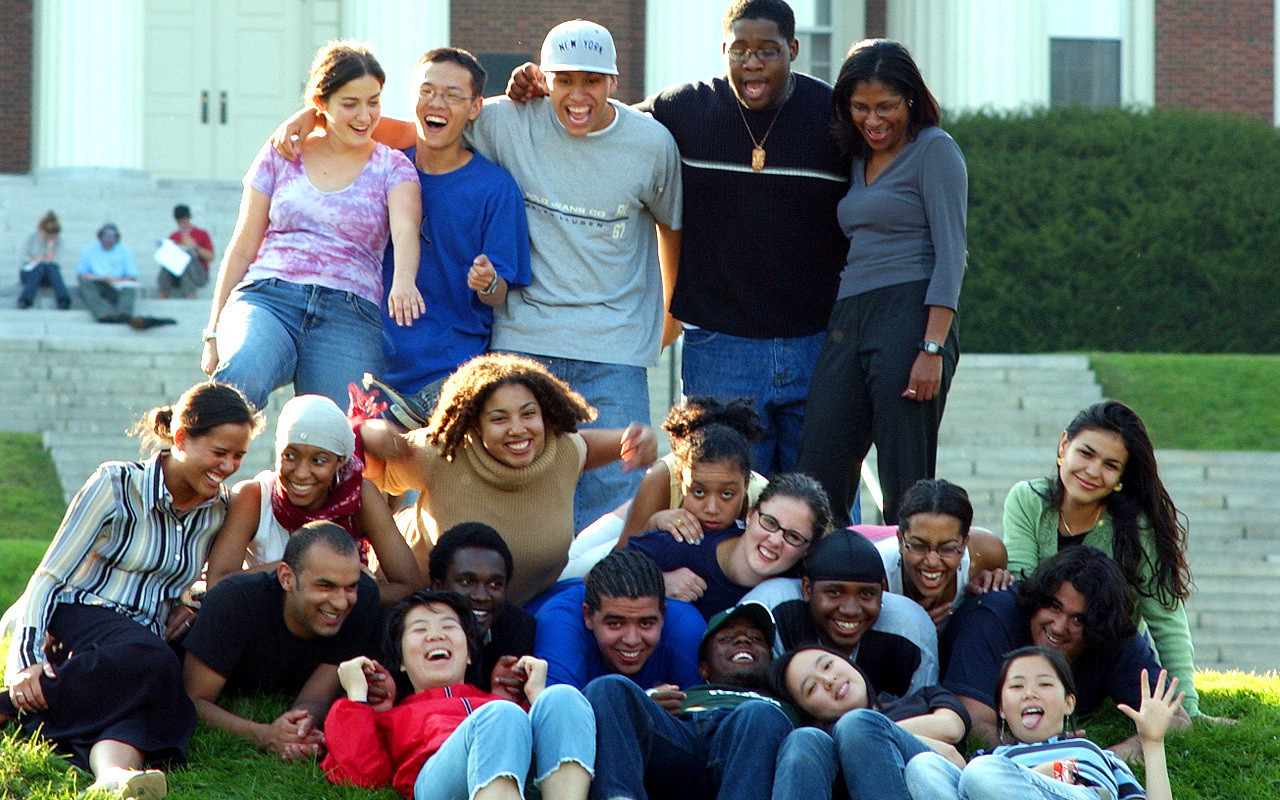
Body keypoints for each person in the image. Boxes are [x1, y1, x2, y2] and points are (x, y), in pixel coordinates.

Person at [275, 21, 682, 533]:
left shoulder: (648, 144)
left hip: (607, 349)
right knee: (506, 501)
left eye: (592, 81)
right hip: (516, 344)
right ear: (545, 79)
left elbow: (672, 225)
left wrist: (671, 314)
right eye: (564, 80)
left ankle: (598, 604)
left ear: (613, 83)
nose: (577, 95)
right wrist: (310, 116)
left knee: (614, 498)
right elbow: (407, 125)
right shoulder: (503, 121)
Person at [509, 0, 851, 477]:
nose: (752, 62)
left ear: (793, 49)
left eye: (768, 51)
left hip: (818, 346)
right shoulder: (685, 108)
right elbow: (599, 123)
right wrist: (544, 89)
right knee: (719, 503)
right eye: (740, 50)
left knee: (824, 500)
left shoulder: (836, 119)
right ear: (723, 50)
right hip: (720, 348)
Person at [1, 382, 260, 799]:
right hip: (82, 614)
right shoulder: (116, 484)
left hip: (142, 638)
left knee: (157, 687)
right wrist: (26, 663)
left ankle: (113, 777)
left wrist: (190, 603)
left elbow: (214, 578)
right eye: (219, 452)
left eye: (239, 456)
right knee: (160, 668)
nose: (229, 465)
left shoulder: (219, 510)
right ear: (180, 439)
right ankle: (11, 706)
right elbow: (49, 576)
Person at [796, 39, 968, 527]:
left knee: (904, 479)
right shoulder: (855, 158)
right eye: (860, 107)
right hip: (850, 317)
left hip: (911, 313)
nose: (874, 120)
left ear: (911, 98)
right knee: (818, 466)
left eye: (886, 107)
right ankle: (827, 585)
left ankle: (906, 597)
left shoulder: (935, 150)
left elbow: (953, 255)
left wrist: (931, 347)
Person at [202, 40, 423, 411]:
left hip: (349, 312)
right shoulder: (281, 153)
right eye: (350, 104)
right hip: (269, 296)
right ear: (321, 105)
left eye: (374, 101)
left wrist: (403, 280)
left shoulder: (393, 165)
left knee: (339, 434)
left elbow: (404, 229)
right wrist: (212, 333)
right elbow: (242, 247)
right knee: (238, 381)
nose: (365, 116)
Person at [360, 352, 656, 606]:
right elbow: (364, 465)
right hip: (427, 606)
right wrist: (370, 431)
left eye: (528, 414)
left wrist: (631, 442)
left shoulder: (562, 449)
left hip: (526, 607)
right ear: (475, 425)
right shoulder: (443, 451)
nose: (518, 429)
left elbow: (586, 445)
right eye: (499, 419)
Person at [362, 47, 532, 430]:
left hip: (448, 379)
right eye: (426, 91)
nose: (436, 103)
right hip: (369, 368)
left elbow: (499, 293)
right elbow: (334, 120)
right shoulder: (380, 165)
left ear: (475, 108)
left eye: (452, 95)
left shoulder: (495, 188)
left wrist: (487, 280)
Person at [1002, 400, 1199, 716]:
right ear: (1064, 445)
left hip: (1101, 653)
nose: (1093, 471)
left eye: (1111, 465)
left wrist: (1187, 705)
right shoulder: (1027, 499)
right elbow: (1021, 583)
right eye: (1086, 453)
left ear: (1122, 475)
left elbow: (1166, 618)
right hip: (1036, 643)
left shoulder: (1137, 526)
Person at [321, 589, 594, 800]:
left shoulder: (497, 704)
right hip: (438, 782)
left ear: (470, 653)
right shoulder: (393, 715)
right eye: (419, 630)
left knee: (562, 696)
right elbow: (362, 776)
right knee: (500, 715)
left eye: (448, 626)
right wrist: (356, 697)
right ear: (401, 661)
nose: (435, 635)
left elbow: (543, 739)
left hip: (521, 773)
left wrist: (536, 697)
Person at [941, 547, 1188, 755]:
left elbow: (1175, 719)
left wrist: (1110, 756)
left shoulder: (1114, 635)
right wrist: (1053, 755)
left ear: (1100, 625)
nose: (1059, 627)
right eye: (1053, 607)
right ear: (1038, 597)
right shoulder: (991, 618)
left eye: (1078, 620)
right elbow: (974, 723)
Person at [183, 521, 381, 762]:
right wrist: (264, 734)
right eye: (325, 586)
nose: (341, 602)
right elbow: (194, 699)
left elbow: (318, 695)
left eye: (350, 586)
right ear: (287, 578)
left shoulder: (364, 600)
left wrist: (301, 728)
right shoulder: (235, 600)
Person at [202, 393, 422, 606]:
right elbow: (217, 585)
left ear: (339, 462)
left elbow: (408, 586)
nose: (301, 473)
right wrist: (304, 570)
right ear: (277, 451)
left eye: (319, 460)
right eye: (290, 456)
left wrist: (341, 594)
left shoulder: (359, 496)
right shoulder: (255, 497)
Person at [906, 646, 1181, 800]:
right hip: (987, 779)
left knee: (981, 774)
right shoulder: (990, 758)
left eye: (1045, 683)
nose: (1029, 693)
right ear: (1001, 709)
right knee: (923, 766)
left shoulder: (1095, 753)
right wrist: (1045, 771)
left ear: (1068, 703)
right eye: (1016, 686)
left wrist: (1153, 742)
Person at [585, 603, 798, 800]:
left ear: (772, 662)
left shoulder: (789, 701)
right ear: (703, 668)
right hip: (683, 740)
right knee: (608, 687)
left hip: (750, 752)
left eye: (755, 639)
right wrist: (644, 709)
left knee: (758, 713)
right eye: (726, 639)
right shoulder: (685, 693)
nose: (742, 640)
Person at [560, 395, 767, 582]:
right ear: (680, 479)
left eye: (727, 495)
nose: (712, 508)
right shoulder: (661, 478)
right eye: (699, 492)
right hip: (634, 518)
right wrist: (653, 524)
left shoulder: (763, 498)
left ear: (746, 484)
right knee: (562, 574)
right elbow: (616, 564)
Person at [741, 527, 938, 699]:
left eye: (867, 593)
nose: (850, 610)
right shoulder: (771, 608)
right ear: (807, 589)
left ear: (883, 591)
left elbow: (925, 712)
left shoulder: (910, 629)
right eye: (834, 592)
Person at [770, 645, 971, 800]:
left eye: (827, 665)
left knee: (856, 724)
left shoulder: (925, 696)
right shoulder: (823, 748)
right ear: (809, 713)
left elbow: (951, 729)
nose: (828, 680)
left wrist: (870, 734)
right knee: (802, 739)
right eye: (812, 687)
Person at [624, 473, 833, 619]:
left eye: (793, 537)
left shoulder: (799, 595)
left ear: (808, 549)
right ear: (750, 515)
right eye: (769, 522)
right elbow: (595, 580)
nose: (775, 540)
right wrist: (657, 582)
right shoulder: (684, 543)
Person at [534, 551, 703, 693]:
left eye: (646, 624)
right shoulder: (561, 625)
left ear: (663, 615)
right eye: (615, 624)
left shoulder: (685, 627)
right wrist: (644, 707)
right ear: (588, 616)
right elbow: (559, 713)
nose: (632, 640)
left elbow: (709, 714)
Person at [877, 479, 1010, 627]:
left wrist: (996, 586)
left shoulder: (987, 555)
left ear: (965, 544)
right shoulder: (877, 573)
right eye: (919, 546)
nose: (932, 561)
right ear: (900, 541)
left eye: (947, 549)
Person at [427, 521, 536, 692]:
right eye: (467, 582)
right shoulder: (403, 629)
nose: (481, 596)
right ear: (437, 587)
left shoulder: (519, 629)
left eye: (494, 584)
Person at [77, 223, 175, 329]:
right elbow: (81, 274)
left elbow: (132, 275)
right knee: (85, 284)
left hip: (118, 285)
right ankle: (103, 314)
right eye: (106, 239)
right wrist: (96, 277)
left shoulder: (124, 250)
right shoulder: (89, 250)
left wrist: (116, 280)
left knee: (130, 288)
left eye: (112, 239)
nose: (108, 242)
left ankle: (123, 315)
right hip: (98, 284)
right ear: (100, 237)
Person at [157, 204, 215, 299]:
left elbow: (211, 257)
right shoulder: (174, 236)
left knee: (187, 256)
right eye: (179, 221)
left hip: (198, 275)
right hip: (177, 275)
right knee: (168, 257)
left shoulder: (202, 234)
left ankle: (190, 293)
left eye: (184, 221)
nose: (182, 224)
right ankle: (164, 290)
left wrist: (195, 247)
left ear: (189, 218)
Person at [18, 210, 71, 309]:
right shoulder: (32, 236)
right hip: (30, 273)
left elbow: (55, 263)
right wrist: (37, 260)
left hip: (49, 275)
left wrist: (50, 247)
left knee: (50, 267)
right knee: (41, 266)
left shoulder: (59, 241)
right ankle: (25, 299)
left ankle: (63, 299)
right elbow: (24, 259)